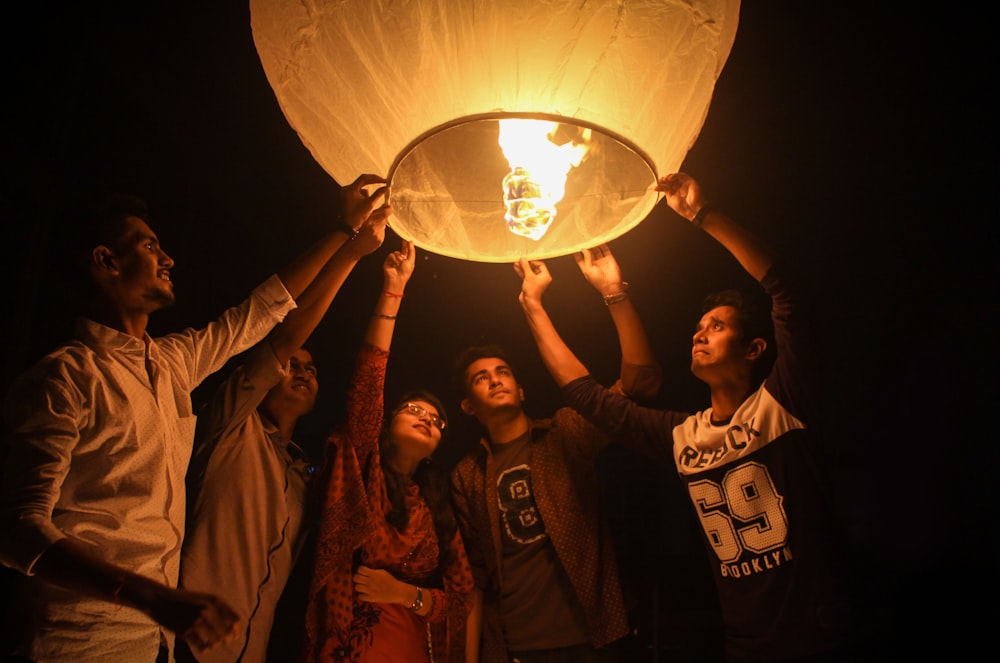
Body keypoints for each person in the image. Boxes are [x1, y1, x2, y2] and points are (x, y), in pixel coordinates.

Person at [0, 176, 386, 662]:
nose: (168, 259)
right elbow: (17, 530)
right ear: (106, 262)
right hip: (73, 640)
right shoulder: (67, 377)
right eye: (149, 246)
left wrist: (344, 231)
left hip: (148, 643)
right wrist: (151, 595)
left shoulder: (170, 363)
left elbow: (259, 312)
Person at [517, 172, 868, 662]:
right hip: (745, 646)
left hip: (824, 640)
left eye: (717, 327)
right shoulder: (685, 436)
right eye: (699, 327)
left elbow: (787, 291)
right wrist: (537, 304)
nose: (699, 335)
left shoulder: (784, 402)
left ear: (754, 348)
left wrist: (704, 215)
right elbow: (589, 397)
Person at [175, 177, 391, 663]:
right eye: (293, 364)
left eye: (311, 370)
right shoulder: (231, 425)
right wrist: (351, 251)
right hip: (185, 648)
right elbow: (288, 330)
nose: (301, 371)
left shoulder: (303, 476)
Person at [448, 244, 662, 663]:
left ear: (522, 389)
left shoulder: (565, 431)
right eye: (481, 378)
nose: (495, 381)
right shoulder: (466, 474)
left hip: (593, 639)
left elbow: (640, 384)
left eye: (503, 372)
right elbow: (473, 575)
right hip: (516, 647)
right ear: (468, 406)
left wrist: (613, 292)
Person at [299, 239, 474, 663]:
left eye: (437, 420)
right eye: (413, 410)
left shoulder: (436, 508)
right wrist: (393, 288)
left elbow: (462, 596)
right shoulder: (364, 472)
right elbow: (367, 381)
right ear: (385, 425)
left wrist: (408, 594)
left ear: (436, 448)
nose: (427, 418)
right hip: (345, 641)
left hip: (411, 645)